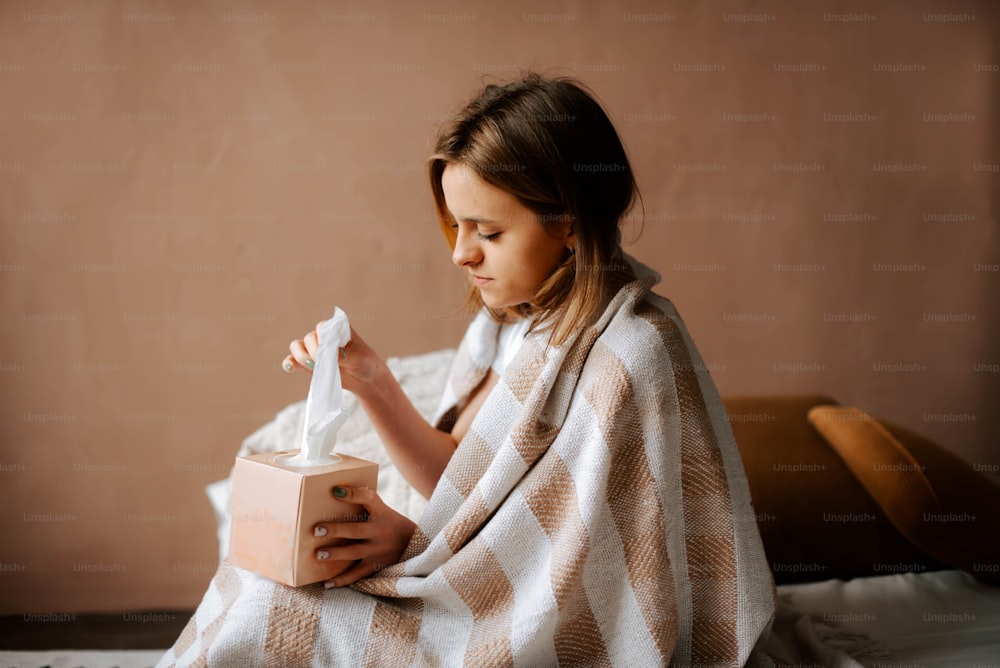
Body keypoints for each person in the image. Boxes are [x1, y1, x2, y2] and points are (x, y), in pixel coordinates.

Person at [164, 72, 775, 667]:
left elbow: (575, 570)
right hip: (461, 581)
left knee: (267, 609)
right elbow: (467, 489)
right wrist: (371, 380)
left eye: (487, 231)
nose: (461, 252)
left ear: (568, 221)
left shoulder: (633, 353)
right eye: (457, 225)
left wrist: (414, 546)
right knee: (260, 581)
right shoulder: (510, 322)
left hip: (506, 620)